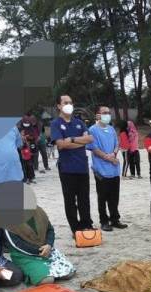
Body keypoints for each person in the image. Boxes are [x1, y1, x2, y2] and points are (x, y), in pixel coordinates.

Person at [50, 94, 95, 233]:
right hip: (67, 168)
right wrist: (77, 142)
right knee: (70, 201)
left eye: (70, 102)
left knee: (84, 199)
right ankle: (75, 229)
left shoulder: (79, 122)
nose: (69, 105)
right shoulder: (56, 124)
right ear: (59, 106)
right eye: (65, 102)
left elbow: (90, 139)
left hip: (82, 166)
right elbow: (61, 145)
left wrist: (72, 139)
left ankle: (86, 225)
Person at [3, 206, 75, 286]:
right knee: (47, 280)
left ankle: (40, 271)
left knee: (69, 273)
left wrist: (49, 245)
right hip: (24, 256)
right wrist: (40, 251)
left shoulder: (38, 211)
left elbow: (50, 230)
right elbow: (16, 244)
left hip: (47, 251)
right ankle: (27, 272)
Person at [87, 105, 128, 231]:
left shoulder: (111, 129)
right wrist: (108, 157)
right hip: (101, 169)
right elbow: (94, 148)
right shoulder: (92, 130)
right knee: (103, 197)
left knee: (114, 196)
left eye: (108, 112)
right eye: (104, 112)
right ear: (98, 115)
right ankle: (104, 221)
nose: (107, 115)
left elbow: (117, 143)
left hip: (114, 168)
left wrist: (114, 153)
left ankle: (115, 219)